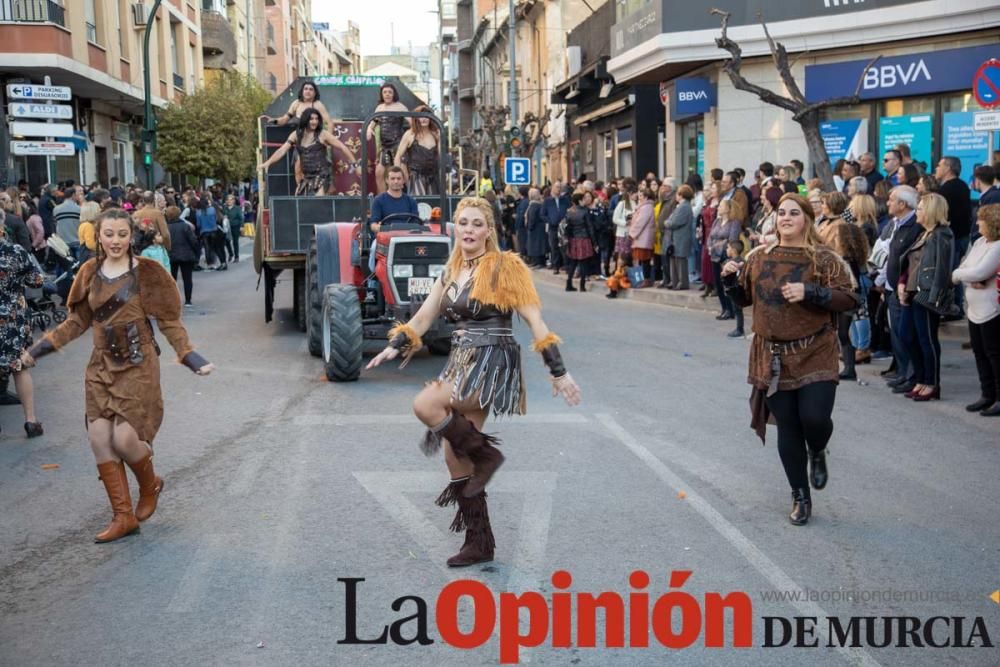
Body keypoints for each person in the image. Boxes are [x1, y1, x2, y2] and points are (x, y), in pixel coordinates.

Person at [365, 197, 581, 566]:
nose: (468, 229)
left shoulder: (504, 267)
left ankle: (488, 455)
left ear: (489, 231)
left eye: (477, 223)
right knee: (454, 456)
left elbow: (535, 321)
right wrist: (395, 345)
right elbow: (422, 319)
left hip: (492, 358)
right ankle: (479, 541)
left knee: (426, 405)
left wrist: (558, 371)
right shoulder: (450, 271)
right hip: (460, 360)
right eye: (463, 222)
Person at [22, 208, 213, 543]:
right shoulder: (88, 272)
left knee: (125, 440)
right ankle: (123, 517)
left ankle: (150, 484)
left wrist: (189, 355)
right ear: (98, 236)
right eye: (108, 234)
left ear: (131, 236)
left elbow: (169, 320)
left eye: (121, 234)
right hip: (101, 366)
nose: (115, 241)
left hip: (138, 367)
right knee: (99, 438)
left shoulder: (149, 273)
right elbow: (77, 321)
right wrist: (39, 349)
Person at [722, 193, 859, 526]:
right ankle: (800, 495)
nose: (785, 218)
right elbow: (744, 299)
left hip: (816, 351)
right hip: (773, 355)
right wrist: (728, 281)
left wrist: (810, 292)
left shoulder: (824, 259)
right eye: (781, 212)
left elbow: (850, 299)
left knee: (814, 419)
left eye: (793, 213)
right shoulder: (757, 256)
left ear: (807, 219)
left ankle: (818, 449)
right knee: (789, 427)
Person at [898, 193, 954, 401]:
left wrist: (936, 296)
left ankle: (931, 383)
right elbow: (910, 264)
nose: (917, 212)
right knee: (906, 335)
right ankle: (920, 379)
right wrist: (902, 283)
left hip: (926, 294)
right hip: (912, 292)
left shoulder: (942, 234)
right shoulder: (923, 233)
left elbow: (942, 269)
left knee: (927, 340)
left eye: (920, 208)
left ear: (930, 211)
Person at [952, 204, 1000, 415]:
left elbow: (979, 271)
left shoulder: (997, 246)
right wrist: (972, 277)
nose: (978, 223)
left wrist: (970, 275)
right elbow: (964, 268)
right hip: (974, 308)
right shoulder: (980, 242)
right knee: (979, 352)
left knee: (995, 355)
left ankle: (999, 397)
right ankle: (986, 394)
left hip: (991, 309)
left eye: (982, 219)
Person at [0, 223, 45, 436]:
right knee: (20, 368)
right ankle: (31, 421)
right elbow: (37, 281)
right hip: (13, 320)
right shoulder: (16, 251)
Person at [883, 186, 924, 396]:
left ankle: (912, 375)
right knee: (897, 333)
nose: (887, 203)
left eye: (892, 199)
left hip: (904, 288)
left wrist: (903, 284)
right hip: (891, 286)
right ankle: (903, 372)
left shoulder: (915, 226)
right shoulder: (896, 224)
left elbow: (910, 260)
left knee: (907, 334)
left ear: (903, 204)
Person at [259, 108, 356, 197]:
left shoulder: (323, 134)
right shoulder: (296, 135)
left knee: (318, 203)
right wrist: (268, 162)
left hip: (322, 176)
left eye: (316, 119)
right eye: (311, 119)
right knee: (300, 202)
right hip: (307, 177)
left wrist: (356, 165)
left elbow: (342, 147)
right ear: (305, 120)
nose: (314, 121)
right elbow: (282, 150)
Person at [367, 82, 409, 194]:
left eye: (390, 92)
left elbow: (412, 121)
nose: (387, 94)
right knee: (379, 173)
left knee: (402, 172)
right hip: (385, 146)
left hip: (398, 144)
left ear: (394, 94)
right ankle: (382, 198)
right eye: (385, 92)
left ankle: (409, 194)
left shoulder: (400, 107)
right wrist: (369, 129)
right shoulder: (380, 108)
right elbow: (373, 122)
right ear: (381, 94)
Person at [394, 105, 440, 196]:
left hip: (434, 177)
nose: (424, 119)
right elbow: (398, 157)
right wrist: (398, 177)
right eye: (421, 116)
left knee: (435, 205)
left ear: (430, 118)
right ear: (416, 119)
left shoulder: (436, 134)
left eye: (426, 116)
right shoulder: (410, 134)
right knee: (419, 203)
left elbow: (441, 155)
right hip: (416, 177)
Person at [708, 199, 742, 320]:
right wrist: (710, 246)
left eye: (721, 206)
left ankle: (731, 309)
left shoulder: (734, 223)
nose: (719, 207)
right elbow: (710, 236)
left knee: (726, 283)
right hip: (714, 255)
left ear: (728, 208)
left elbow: (732, 239)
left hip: (725, 255)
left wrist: (716, 246)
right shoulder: (717, 221)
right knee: (718, 283)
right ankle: (724, 308)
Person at [561, 191, 596, 292]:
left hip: (573, 239)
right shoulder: (585, 211)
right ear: (580, 201)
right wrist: (594, 242)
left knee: (573, 262)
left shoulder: (570, 212)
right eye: (583, 199)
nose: (585, 200)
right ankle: (582, 286)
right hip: (584, 239)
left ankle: (569, 284)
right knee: (584, 263)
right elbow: (590, 228)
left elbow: (567, 227)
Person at [663, 184, 695, 290]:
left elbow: (674, 222)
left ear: (681, 195)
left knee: (680, 261)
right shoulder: (681, 206)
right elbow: (671, 219)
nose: (676, 196)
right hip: (676, 238)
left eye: (677, 194)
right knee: (674, 260)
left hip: (681, 237)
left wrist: (667, 223)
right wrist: (668, 221)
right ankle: (675, 281)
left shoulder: (684, 206)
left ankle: (683, 283)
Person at [166, 205, 199, 307]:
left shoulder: (167, 227)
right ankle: (188, 300)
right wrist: (196, 253)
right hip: (186, 254)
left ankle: (173, 299)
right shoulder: (185, 226)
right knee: (187, 278)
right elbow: (193, 240)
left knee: (172, 279)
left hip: (172, 255)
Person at [629, 188, 656, 287]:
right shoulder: (643, 206)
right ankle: (642, 278)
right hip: (641, 237)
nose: (638, 197)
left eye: (641, 196)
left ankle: (646, 279)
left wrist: (632, 234)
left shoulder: (647, 207)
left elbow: (640, 223)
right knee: (642, 259)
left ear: (646, 197)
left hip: (643, 237)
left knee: (645, 259)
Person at [724, 240, 746, 338]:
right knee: (737, 309)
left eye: (728, 248)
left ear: (733, 250)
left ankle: (739, 329)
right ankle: (739, 328)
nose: (726, 250)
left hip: (737, 289)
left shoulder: (738, 262)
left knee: (738, 309)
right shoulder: (731, 261)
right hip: (733, 288)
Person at [223, 194, 242, 263]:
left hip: (235, 226)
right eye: (227, 200)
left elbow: (241, 218)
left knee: (235, 241)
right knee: (227, 241)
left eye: (231, 200)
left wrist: (241, 226)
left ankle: (236, 257)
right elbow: (222, 216)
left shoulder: (237, 208)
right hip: (227, 227)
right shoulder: (224, 208)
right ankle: (231, 254)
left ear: (233, 201)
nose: (229, 201)